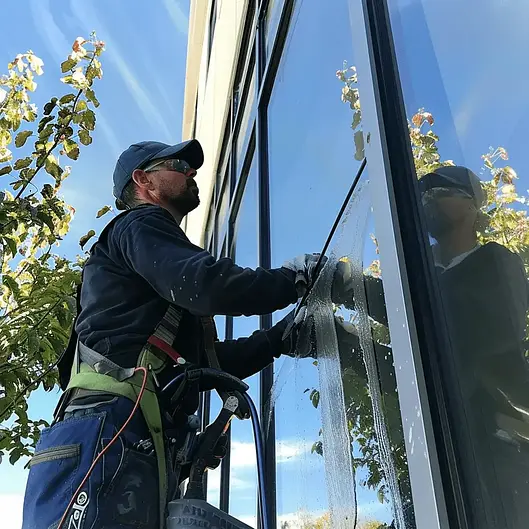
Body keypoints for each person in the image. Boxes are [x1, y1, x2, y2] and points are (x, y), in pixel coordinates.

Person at [21, 139, 345, 529]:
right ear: (144, 181)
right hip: (111, 428)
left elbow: (205, 365)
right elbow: (206, 284)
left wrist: (278, 340)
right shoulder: (140, 224)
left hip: (122, 430)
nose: (191, 172)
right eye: (178, 164)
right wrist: (295, 278)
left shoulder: (148, 276)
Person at [326, 165, 529, 528]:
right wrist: (340, 341)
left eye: (441, 191)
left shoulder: (498, 264)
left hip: (501, 462)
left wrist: (350, 287)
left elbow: (449, 325)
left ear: (471, 206)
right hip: (443, 463)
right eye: (423, 194)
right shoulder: (427, 277)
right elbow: (410, 374)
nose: (427, 200)